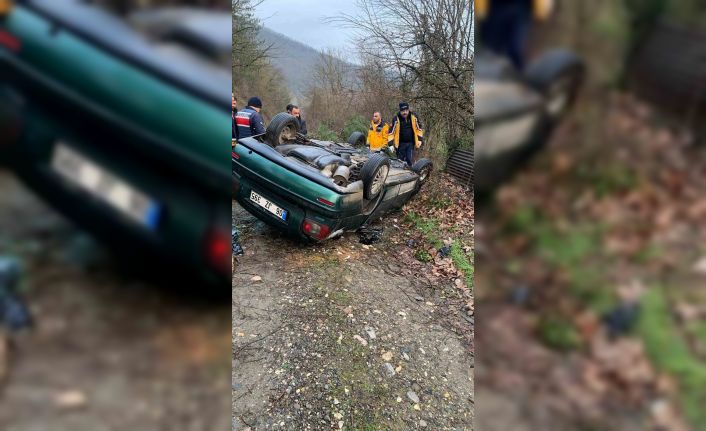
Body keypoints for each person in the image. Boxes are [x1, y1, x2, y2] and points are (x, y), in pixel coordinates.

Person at [476, 0, 554, 70]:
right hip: (496, 10)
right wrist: (480, 11)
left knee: (514, 48)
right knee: (492, 47)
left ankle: (521, 71)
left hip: (520, 10)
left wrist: (541, 11)